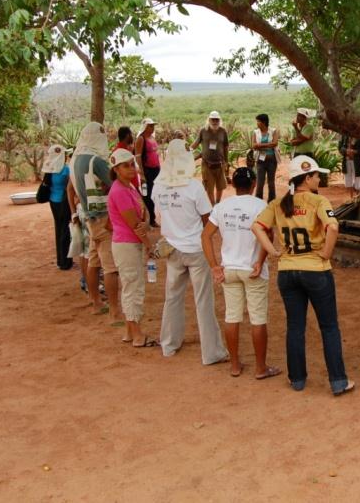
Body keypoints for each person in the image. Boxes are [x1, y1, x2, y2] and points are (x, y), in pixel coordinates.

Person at [252, 156, 355, 396]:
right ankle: (338, 381)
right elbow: (333, 226)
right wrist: (326, 253)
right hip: (316, 271)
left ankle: (297, 379)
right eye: (317, 175)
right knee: (329, 327)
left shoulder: (279, 203)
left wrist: (273, 250)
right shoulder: (318, 200)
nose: (319, 178)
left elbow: (257, 226)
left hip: (288, 271)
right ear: (307, 178)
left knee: (295, 326)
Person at [153, 139, 229, 364]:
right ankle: (211, 352)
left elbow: (158, 217)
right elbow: (208, 219)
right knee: (203, 300)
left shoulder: (158, 185)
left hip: (172, 249)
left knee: (172, 297)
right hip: (196, 250)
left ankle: (169, 344)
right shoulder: (193, 186)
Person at [204, 167, 280, 379]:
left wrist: (214, 266)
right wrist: (260, 261)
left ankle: (235, 365)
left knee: (232, 316)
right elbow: (269, 236)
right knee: (257, 318)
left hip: (230, 268)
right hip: (252, 268)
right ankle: (260, 368)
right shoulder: (260, 205)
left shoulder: (222, 207)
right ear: (254, 183)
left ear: (232, 184)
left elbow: (205, 236)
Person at [107, 148, 156, 347]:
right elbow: (135, 223)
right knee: (133, 287)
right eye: (125, 166)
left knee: (132, 285)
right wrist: (148, 244)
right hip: (126, 243)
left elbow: (143, 213)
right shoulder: (120, 191)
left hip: (129, 242)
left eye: (131, 164)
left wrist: (145, 223)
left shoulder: (129, 187)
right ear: (117, 169)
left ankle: (130, 331)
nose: (131, 169)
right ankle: (136, 333)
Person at [71, 122, 121, 318]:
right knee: (110, 267)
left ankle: (96, 301)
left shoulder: (76, 159)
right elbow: (116, 182)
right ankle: (115, 309)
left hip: (88, 215)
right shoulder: (96, 161)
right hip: (103, 217)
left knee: (93, 261)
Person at [42, 144, 74, 270]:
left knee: (58, 229)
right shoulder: (66, 169)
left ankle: (60, 260)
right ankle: (66, 261)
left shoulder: (49, 170)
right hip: (63, 202)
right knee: (66, 232)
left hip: (53, 201)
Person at [192, 111, 229, 206]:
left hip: (220, 164)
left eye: (217, 119)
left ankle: (217, 203)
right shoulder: (203, 130)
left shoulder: (223, 131)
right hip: (207, 164)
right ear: (209, 120)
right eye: (213, 119)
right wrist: (187, 149)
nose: (215, 121)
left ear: (219, 120)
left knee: (220, 186)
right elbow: (196, 143)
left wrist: (226, 161)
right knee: (209, 187)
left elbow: (226, 147)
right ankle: (213, 205)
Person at [133, 118, 161, 227]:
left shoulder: (152, 138)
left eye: (153, 125)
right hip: (147, 171)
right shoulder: (141, 139)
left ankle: (151, 218)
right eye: (150, 126)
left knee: (154, 194)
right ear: (145, 127)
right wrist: (141, 173)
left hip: (156, 170)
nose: (152, 127)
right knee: (147, 195)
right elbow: (138, 157)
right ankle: (149, 219)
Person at [251, 113, 280, 202]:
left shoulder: (273, 131)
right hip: (260, 160)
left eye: (258, 121)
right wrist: (268, 145)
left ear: (264, 122)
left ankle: (271, 201)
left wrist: (260, 145)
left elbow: (275, 143)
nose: (257, 123)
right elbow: (254, 146)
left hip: (272, 160)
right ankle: (258, 201)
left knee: (271, 182)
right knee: (260, 182)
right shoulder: (255, 132)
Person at [338, 134, 360, 198]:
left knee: (357, 180)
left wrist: (355, 151)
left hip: (357, 162)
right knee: (349, 181)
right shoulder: (344, 135)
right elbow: (340, 148)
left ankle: (357, 198)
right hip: (347, 161)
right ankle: (351, 198)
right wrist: (346, 151)